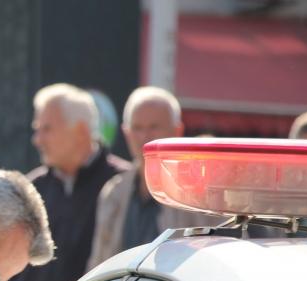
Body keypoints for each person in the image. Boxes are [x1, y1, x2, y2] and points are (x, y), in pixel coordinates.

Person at [5, 83, 130, 281]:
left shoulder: (122, 187)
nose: (37, 139)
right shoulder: (32, 187)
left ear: (81, 131)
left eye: (47, 129)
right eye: (37, 130)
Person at [87, 86, 218, 269]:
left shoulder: (198, 194)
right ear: (126, 133)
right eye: (137, 128)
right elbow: (98, 264)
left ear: (177, 130)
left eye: (154, 127)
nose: (144, 136)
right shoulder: (114, 192)